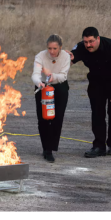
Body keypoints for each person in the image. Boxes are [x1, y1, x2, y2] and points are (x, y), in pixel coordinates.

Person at [67, 27, 111, 158]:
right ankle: (99, 146)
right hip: (97, 84)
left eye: (91, 41)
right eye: (86, 42)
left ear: (98, 38)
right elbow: (69, 61)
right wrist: (62, 60)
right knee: (97, 114)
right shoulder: (81, 47)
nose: (88, 45)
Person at [32, 34, 70, 162]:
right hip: (43, 87)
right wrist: (39, 83)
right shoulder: (40, 56)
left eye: (55, 48)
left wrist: (53, 76)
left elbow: (63, 75)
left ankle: (52, 147)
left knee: (57, 117)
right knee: (43, 118)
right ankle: (46, 149)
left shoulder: (65, 57)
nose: (52, 51)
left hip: (60, 86)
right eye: (49, 48)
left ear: (60, 47)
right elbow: (35, 74)